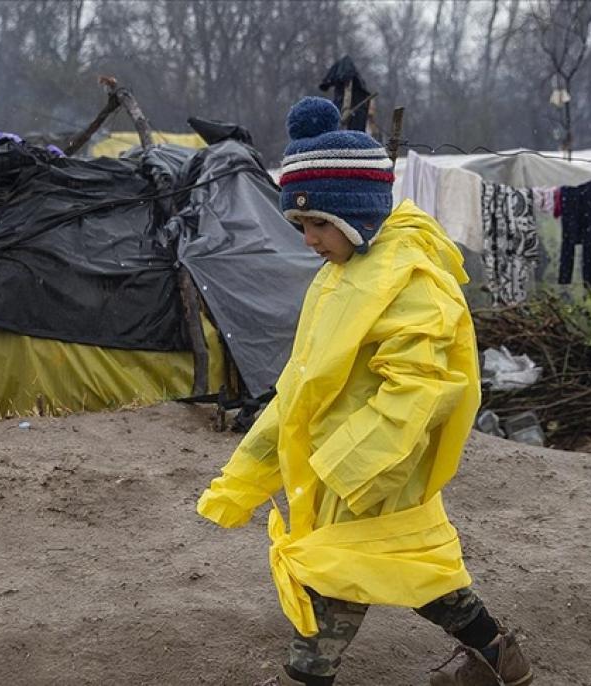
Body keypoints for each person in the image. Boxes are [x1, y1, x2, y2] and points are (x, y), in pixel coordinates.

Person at [196, 97, 533, 686]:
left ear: (358, 212)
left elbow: (423, 389)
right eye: (300, 225)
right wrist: (244, 475)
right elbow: (300, 384)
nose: (308, 240)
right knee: (420, 576)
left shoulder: (410, 282)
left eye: (320, 223)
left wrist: (351, 467)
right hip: (336, 467)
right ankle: (500, 657)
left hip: (369, 474)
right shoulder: (341, 276)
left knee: (333, 584)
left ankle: (308, 675)